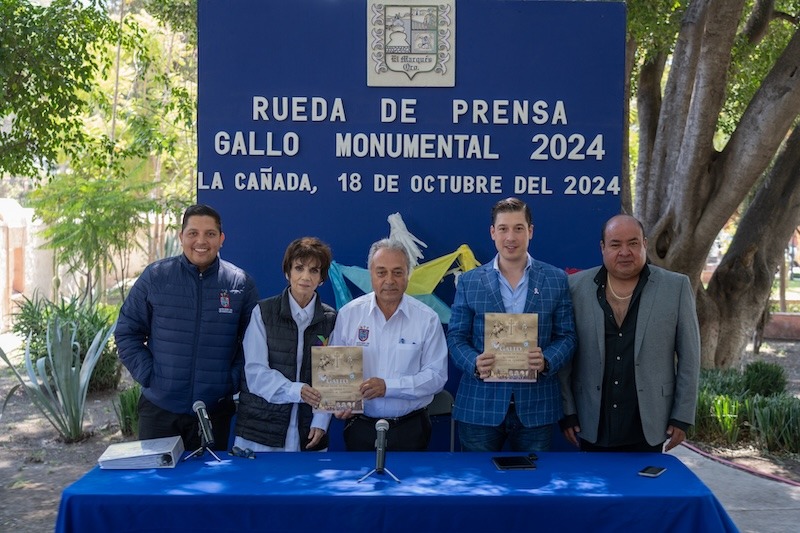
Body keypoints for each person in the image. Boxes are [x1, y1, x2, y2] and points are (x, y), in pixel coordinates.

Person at [116, 204, 258, 451]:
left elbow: (254, 342)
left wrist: (230, 381)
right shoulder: (156, 276)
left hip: (213, 411)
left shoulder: (239, 283)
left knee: (208, 488)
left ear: (221, 239)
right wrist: (151, 376)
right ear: (181, 237)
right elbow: (127, 332)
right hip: (159, 410)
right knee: (158, 486)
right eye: (193, 233)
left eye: (210, 234)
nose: (201, 241)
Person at [559, 214, 701, 452]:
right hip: (591, 423)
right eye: (615, 244)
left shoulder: (676, 288)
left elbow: (690, 357)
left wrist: (682, 416)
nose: (625, 251)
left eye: (633, 243)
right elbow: (566, 356)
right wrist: (568, 411)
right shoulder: (576, 287)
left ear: (645, 244)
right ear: (602, 248)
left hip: (651, 423)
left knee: (645, 489)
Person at [448, 197, 576, 452]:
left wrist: (547, 360)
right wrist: (474, 361)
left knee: (532, 488)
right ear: (493, 232)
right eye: (504, 228)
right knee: (479, 487)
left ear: (530, 231)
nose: (511, 237)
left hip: (536, 407)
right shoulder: (470, 281)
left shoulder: (556, 279)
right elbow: (455, 337)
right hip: (480, 406)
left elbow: (567, 336)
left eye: (518, 228)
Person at [330, 238, 448, 451]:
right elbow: (336, 373)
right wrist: (340, 401)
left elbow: (437, 377)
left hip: (411, 429)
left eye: (397, 272)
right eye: (381, 272)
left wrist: (388, 387)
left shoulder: (427, 319)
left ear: (408, 274)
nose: (389, 280)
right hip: (360, 427)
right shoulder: (349, 315)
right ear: (371, 274)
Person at [233, 237, 337, 452]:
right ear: (287, 272)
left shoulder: (331, 319)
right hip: (261, 431)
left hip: (308, 434)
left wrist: (320, 421)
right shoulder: (263, 312)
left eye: (314, 270)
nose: (306, 277)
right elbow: (255, 372)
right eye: (299, 268)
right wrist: (295, 390)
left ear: (322, 279)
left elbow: (332, 379)